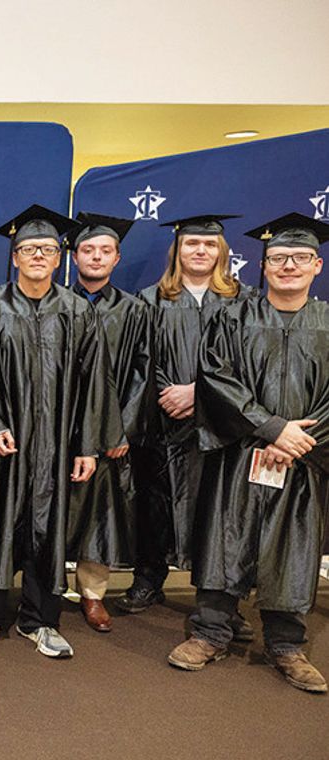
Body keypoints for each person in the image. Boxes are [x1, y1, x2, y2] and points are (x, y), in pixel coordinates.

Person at [168, 213, 329, 694]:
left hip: (303, 458)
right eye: (279, 258)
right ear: (263, 265)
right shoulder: (233, 316)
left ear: (317, 265)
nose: (288, 266)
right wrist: (272, 428)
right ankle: (210, 632)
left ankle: (286, 645)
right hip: (242, 452)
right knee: (226, 538)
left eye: (299, 258)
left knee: (291, 547)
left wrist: (301, 439)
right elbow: (216, 380)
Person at [0, 205, 121, 658]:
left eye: (47, 250)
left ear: (58, 259)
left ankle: (40, 621)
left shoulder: (77, 312)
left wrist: (89, 445)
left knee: (48, 529)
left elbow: (95, 382)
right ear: (14, 258)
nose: (37, 256)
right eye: (28, 249)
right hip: (3, 442)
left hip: (57, 443)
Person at [121, 214, 256, 619]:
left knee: (219, 510)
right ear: (177, 252)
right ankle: (148, 578)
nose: (200, 251)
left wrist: (198, 393)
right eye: (191, 244)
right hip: (163, 422)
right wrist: (169, 393)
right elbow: (141, 363)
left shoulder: (244, 301)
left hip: (222, 425)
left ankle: (220, 598)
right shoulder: (151, 300)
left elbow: (250, 366)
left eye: (209, 245)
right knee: (154, 503)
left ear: (222, 252)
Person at [65, 212, 150, 632]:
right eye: (87, 249)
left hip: (108, 430)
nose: (96, 257)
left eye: (105, 251)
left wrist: (121, 430)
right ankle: (43, 584)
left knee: (99, 514)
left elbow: (143, 374)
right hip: (60, 426)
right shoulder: (57, 304)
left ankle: (93, 594)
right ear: (74, 255)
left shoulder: (134, 311)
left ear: (117, 258)